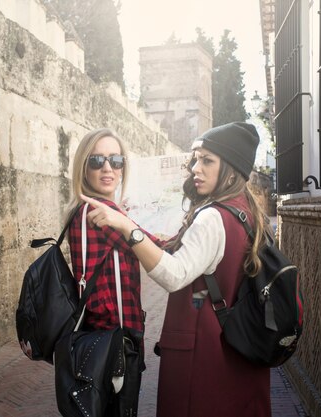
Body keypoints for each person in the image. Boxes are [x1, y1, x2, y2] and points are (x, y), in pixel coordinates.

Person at [82, 122, 272, 417]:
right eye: (195, 159)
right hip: (234, 353)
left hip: (203, 355)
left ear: (232, 169)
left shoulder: (212, 218)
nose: (196, 168)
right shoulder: (245, 211)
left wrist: (127, 227)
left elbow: (175, 275)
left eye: (207, 160)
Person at [66, 127, 162, 417]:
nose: (107, 168)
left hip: (105, 336)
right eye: (97, 161)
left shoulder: (86, 209)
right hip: (115, 340)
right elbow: (158, 249)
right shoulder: (101, 213)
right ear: (84, 167)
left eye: (115, 161)